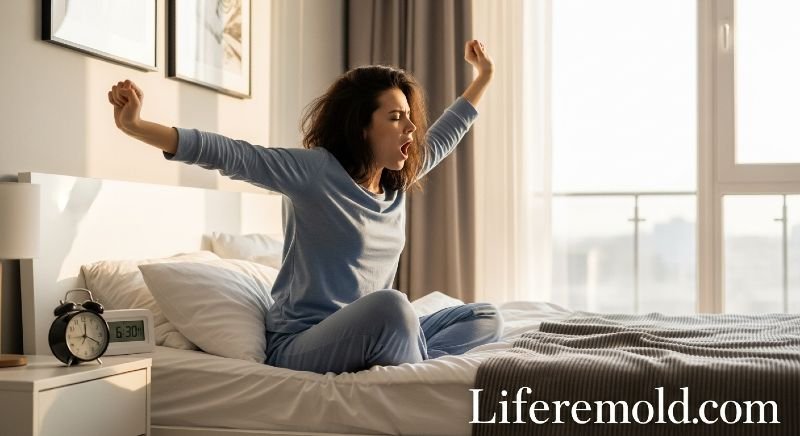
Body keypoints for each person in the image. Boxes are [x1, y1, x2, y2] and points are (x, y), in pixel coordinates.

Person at [108, 39, 503, 374]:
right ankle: (413, 375)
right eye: (396, 117)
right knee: (393, 307)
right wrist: (136, 126)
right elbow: (231, 154)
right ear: (362, 127)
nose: (411, 128)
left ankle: (403, 358)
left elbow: (447, 133)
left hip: (370, 328)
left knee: (484, 318)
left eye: (409, 118)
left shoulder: (395, 180)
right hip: (301, 344)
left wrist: (482, 77)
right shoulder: (315, 173)